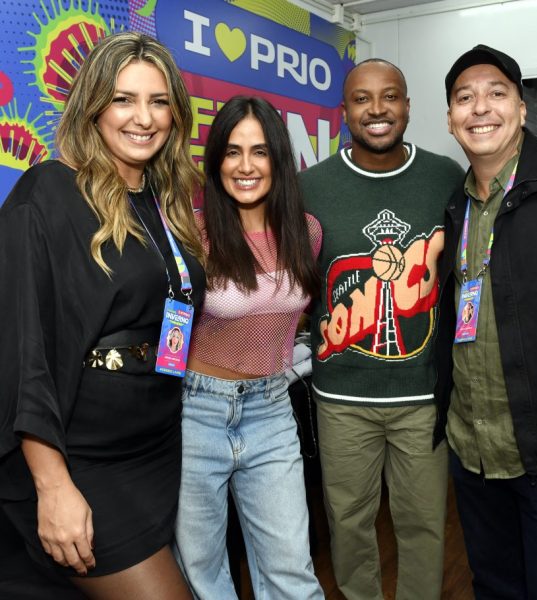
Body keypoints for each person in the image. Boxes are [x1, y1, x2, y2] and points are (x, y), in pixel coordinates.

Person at [0, 32, 205, 599]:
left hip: (154, 446)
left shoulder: (163, 202)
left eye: (159, 101)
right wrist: (52, 482)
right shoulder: (48, 192)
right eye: (123, 99)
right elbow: (24, 353)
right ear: (92, 105)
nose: (144, 117)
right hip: (82, 457)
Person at [437, 44, 537, 599]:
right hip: (474, 453)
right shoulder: (455, 208)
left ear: (523, 109)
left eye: (496, 93)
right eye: (465, 98)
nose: (480, 107)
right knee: (496, 587)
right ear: (450, 119)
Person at [298, 59, 464, 600]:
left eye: (389, 97)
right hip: (341, 395)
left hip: (421, 394)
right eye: (362, 99)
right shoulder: (309, 187)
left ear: (409, 106)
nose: (377, 110)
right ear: (344, 111)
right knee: (348, 525)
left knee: (422, 525)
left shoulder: (446, 177)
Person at [174, 95, 324, 600]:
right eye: (232, 151)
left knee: (292, 573)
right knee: (203, 572)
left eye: (259, 152)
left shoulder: (305, 233)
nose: (245, 166)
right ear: (215, 160)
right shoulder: (195, 237)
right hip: (197, 412)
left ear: (278, 159)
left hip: (272, 409)